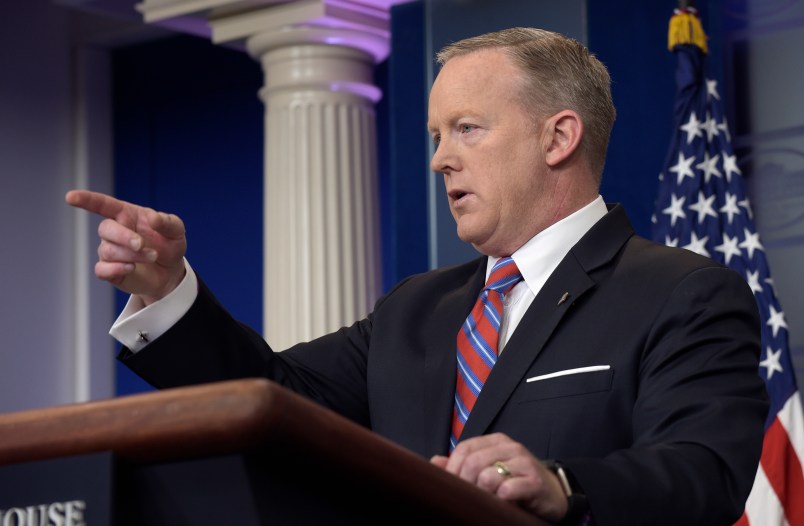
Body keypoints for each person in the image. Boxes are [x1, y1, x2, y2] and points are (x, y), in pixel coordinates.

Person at [66, 27, 768, 525]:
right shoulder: (415, 310)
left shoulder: (681, 293)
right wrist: (167, 293)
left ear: (558, 137)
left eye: (467, 129)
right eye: (436, 137)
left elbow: (704, 472)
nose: (440, 161)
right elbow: (270, 398)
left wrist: (560, 484)